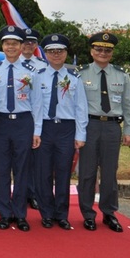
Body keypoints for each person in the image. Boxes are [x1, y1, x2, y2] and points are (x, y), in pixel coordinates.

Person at [77, 32, 130, 232]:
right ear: (91, 51)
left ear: (112, 52)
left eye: (107, 50)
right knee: (87, 173)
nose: (103, 53)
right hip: (89, 126)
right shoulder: (81, 74)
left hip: (112, 127)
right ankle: (87, 213)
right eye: (99, 49)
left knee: (110, 173)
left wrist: (129, 130)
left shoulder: (122, 75)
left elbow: (129, 105)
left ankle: (109, 213)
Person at [0, 26, 41, 231]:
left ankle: (20, 214)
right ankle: (4, 213)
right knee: (1, 170)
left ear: (21, 47)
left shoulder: (31, 73)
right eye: (7, 43)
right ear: (2, 46)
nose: (11, 47)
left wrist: (37, 132)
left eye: (15, 44)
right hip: (0, 123)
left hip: (23, 123)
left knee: (22, 170)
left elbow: (37, 104)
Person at [32, 34, 88, 230]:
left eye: (60, 51)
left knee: (64, 173)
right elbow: (36, 106)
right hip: (45, 128)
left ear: (66, 54)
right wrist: (36, 132)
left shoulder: (74, 78)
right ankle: (46, 213)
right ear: (45, 53)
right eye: (51, 51)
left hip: (66, 128)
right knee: (43, 173)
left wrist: (80, 135)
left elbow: (81, 108)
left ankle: (62, 214)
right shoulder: (38, 77)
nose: (56, 55)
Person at [20, 27, 46, 211]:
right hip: (19, 119)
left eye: (32, 42)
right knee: (20, 160)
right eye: (25, 41)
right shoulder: (10, 64)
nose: (29, 45)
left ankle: (34, 194)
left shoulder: (42, 66)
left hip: (39, 118)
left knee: (36, 160)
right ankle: (20, 194)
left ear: (36, 45)